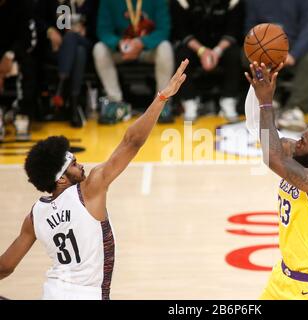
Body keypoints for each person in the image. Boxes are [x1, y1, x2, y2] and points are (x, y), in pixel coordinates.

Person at [0, 60, 188, 300]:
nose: (82, 167)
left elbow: (5, 267)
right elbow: (132, 142)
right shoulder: (88, 190)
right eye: (74, 165)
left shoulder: (35, 215)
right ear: (60, 180)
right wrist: (162, 97)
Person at [244, 61, 308, 300]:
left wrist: (268, 102)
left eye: (303, 142)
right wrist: (259, 86)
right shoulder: (299, 157)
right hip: (282, 277)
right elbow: (255, 127)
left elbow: (273, 159)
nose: (296, 143)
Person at [93, 0, 175, 124]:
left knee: (165, 48)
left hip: (148, 48)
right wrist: (118, 43)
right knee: (99, 49)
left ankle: (162, 102)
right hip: (122, 49)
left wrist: (142, 43)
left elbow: (164, 30)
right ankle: (115, 102)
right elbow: (103, 30)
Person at [245, 0, 308, 131]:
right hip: (262, 50)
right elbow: (248, 29)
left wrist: (293, 54)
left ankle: (295, 110)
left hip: (294, 49)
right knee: (250, 58)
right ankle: (267, 104)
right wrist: (262, 51)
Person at [170, 0, 245, 122]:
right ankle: (189, 101)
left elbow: (234, 30)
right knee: (182, 55)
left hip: (221, 47)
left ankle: (228, 99)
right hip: (194, 47)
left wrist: (217, 51)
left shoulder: (233, 2)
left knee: (235, 53)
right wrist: (202, 51)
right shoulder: (181, 2)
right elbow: (181, 31)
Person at [35, 0, 100, 128]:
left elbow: (98, 25)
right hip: (61, 49)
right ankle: (74, 105)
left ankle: (61, 87)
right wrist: (50, 31)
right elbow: (37, 19)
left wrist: (84, 29)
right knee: (77, 51)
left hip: (86, 43)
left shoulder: (90, 3)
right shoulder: (58, 4)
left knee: (72, 39)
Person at [0, 0, 37, 140]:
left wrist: (11, 55)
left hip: (15, 56)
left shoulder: (21, 5)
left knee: (29, 66)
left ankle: (22, 114)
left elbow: (29, 39)